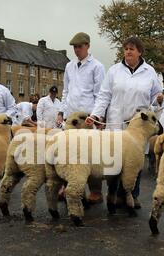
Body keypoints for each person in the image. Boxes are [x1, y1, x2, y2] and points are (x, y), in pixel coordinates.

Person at [89, 36, 163, 208]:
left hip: (138, 125)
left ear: (140, 52)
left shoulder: (149, 71)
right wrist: (96, 115)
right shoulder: (114, 70)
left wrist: (159, 99)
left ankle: (131, 194)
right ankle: (114, 194)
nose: (128, 52)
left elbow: (156, 95)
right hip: (116, 122)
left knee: (134, 160)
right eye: (126, 49)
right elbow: (104, 95)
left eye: (132, 49)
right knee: (113, 160)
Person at [61, 32, 106, 203]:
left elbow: (101, 94)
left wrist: (97, 117)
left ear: (87, 45)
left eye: (80, 46)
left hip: (88, 118)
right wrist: (64, 113)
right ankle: (69, 187)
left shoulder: (97, 67)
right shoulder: (69, 66)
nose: (76, 50)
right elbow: (66, 90)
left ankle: (95, 191)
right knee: (69, 154)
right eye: (74, 47)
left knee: (91, 155)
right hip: (71, 119)